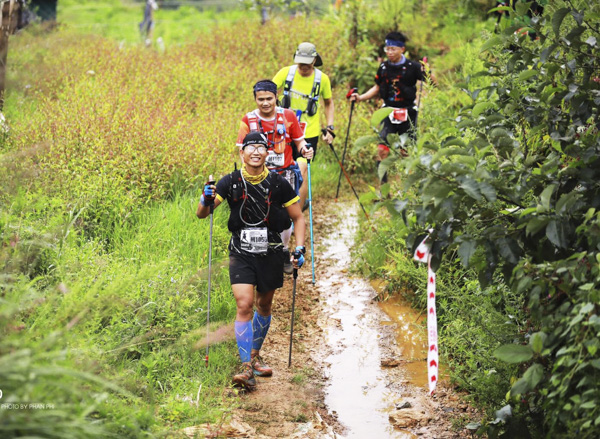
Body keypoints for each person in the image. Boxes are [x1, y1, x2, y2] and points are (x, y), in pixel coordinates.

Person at [197, 132, 307, 390]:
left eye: (261, 147)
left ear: (267, 153)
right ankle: (245, 366)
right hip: (241, 251)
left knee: (264, 304)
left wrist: (299, 247)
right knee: (244, 303)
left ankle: (255, 356)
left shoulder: (279, 183)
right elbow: (204, 214)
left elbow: (298, 217)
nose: (256, 151)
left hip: (271, 251)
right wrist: (206, 198)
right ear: (241, 153)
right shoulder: (231, 181)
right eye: (250, 147)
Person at [236, 80, 313, 274]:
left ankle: (283, 249)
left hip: (285, 173)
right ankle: (258, 254)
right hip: (259, 175)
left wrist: (305, 149)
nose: (265, 103)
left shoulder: (288, 116)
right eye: (260, 99)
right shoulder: (248, 119)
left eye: (269, 98)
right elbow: (240, 149)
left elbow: (299, 141)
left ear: (275, 97)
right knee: (259, 214)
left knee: (285, 215)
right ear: (255, 99)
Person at [350, 31, 426, 183]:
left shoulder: (413, 66)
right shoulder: (384, 67)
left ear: (402, 49)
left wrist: (427, 70)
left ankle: (409, 189)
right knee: (381, 150)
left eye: (393, 49)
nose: (390, 52)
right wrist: (361, 98)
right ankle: (383, 190)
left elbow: (432, 82)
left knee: (407, 151)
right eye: (387, 49)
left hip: (408, 112)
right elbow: (377, 88)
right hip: (388, 111)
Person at [273, 42, 335, 210]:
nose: (304, 66)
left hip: (308, 133)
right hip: (283, 132)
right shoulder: (286, 73)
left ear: (314, 60)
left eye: (307, 63)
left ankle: (297, 213)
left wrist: (330, 128)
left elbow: (328, 103)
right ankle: (281, 208)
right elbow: (269, 93)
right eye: (301, 62)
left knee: (301, 170)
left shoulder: (322, 79)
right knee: (281, 170)